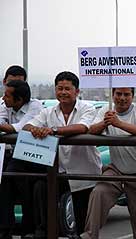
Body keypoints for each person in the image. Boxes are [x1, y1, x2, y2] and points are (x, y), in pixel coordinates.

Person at [23, 71, 101, 238]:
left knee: (83, 221)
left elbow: (82, 127)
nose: (63, 92)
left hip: (84, 171)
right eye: (59, 88)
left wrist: (53, 131)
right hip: (58, 170)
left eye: (67, 88)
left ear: (77, 91)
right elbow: (27, 126)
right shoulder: (48, 111)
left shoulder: (87, 108)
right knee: (41, 190)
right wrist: (36, 130)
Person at [81, 87, 136, 239]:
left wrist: (118, 123)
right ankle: (89, 236)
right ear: (113, 95)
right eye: (118, 94)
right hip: (116, 170)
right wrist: (105, 123)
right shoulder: (105, 110)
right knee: (98, 193)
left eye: (126, 94)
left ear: (132, 96)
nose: (122, 98)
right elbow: (90, 130)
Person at [0, 79, 44, 239]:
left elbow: (21, 128)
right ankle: (5, 229)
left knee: (23, 183)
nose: (3, 98)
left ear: (19, 100)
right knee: (6, 180)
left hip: (34, 157)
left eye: (7, 96)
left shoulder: (35, 106)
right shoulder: (5, 105)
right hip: (12, 156)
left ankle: (28, 228)